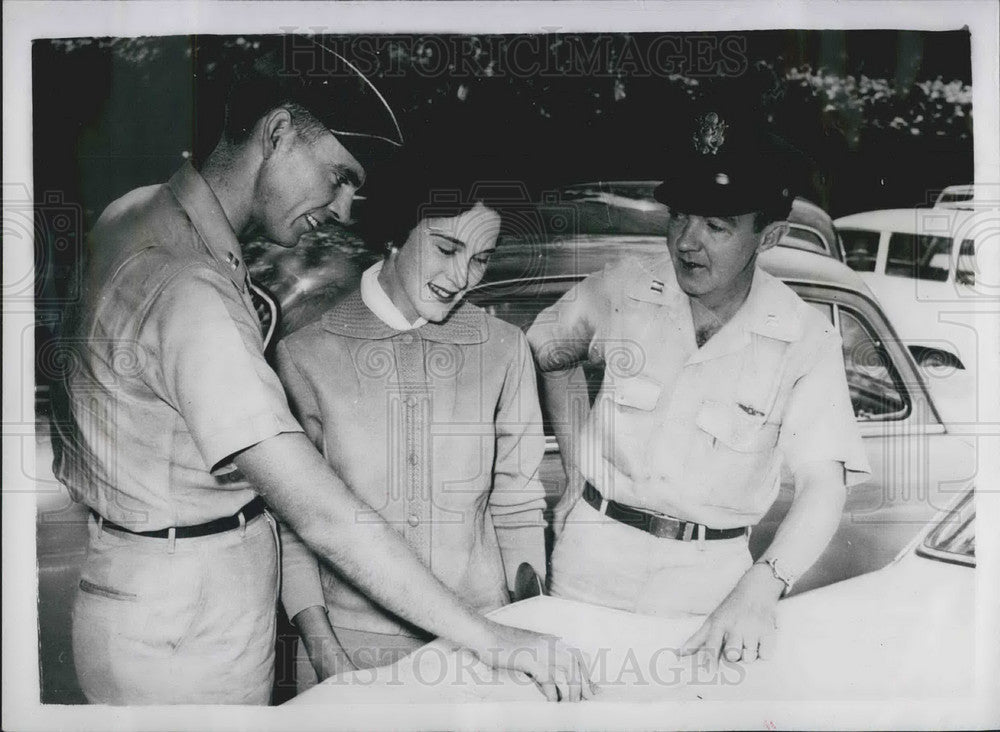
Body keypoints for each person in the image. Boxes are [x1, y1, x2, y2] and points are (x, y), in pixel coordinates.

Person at [52, 39, 592, 705]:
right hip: (189, 629)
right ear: (277, 131)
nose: (341, 209)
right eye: (338, 175)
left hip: (133, 578)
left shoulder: (134, 214)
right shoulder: (193, 290)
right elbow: (321, 514)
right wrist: (496, 641)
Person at [526, 106, 871, 665]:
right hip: (594, 554)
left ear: (770, 234)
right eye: (680, 216)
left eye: (716, 225)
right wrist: (574, 466)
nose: (687, 242)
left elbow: (823, 484)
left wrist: (764, 587)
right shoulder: (624, 288)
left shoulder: (804, 337)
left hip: (710, 583)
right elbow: (548, 350)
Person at [275, 150, 548, 691]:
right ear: (397, 236)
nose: (461, 276)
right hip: (351, 648)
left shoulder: (503, 348)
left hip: (482, 641)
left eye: (480, 258)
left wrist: (528, 624)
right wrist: (324, 650)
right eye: (446, 248)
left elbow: (517, 500)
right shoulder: (304, 353)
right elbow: (291, 522)